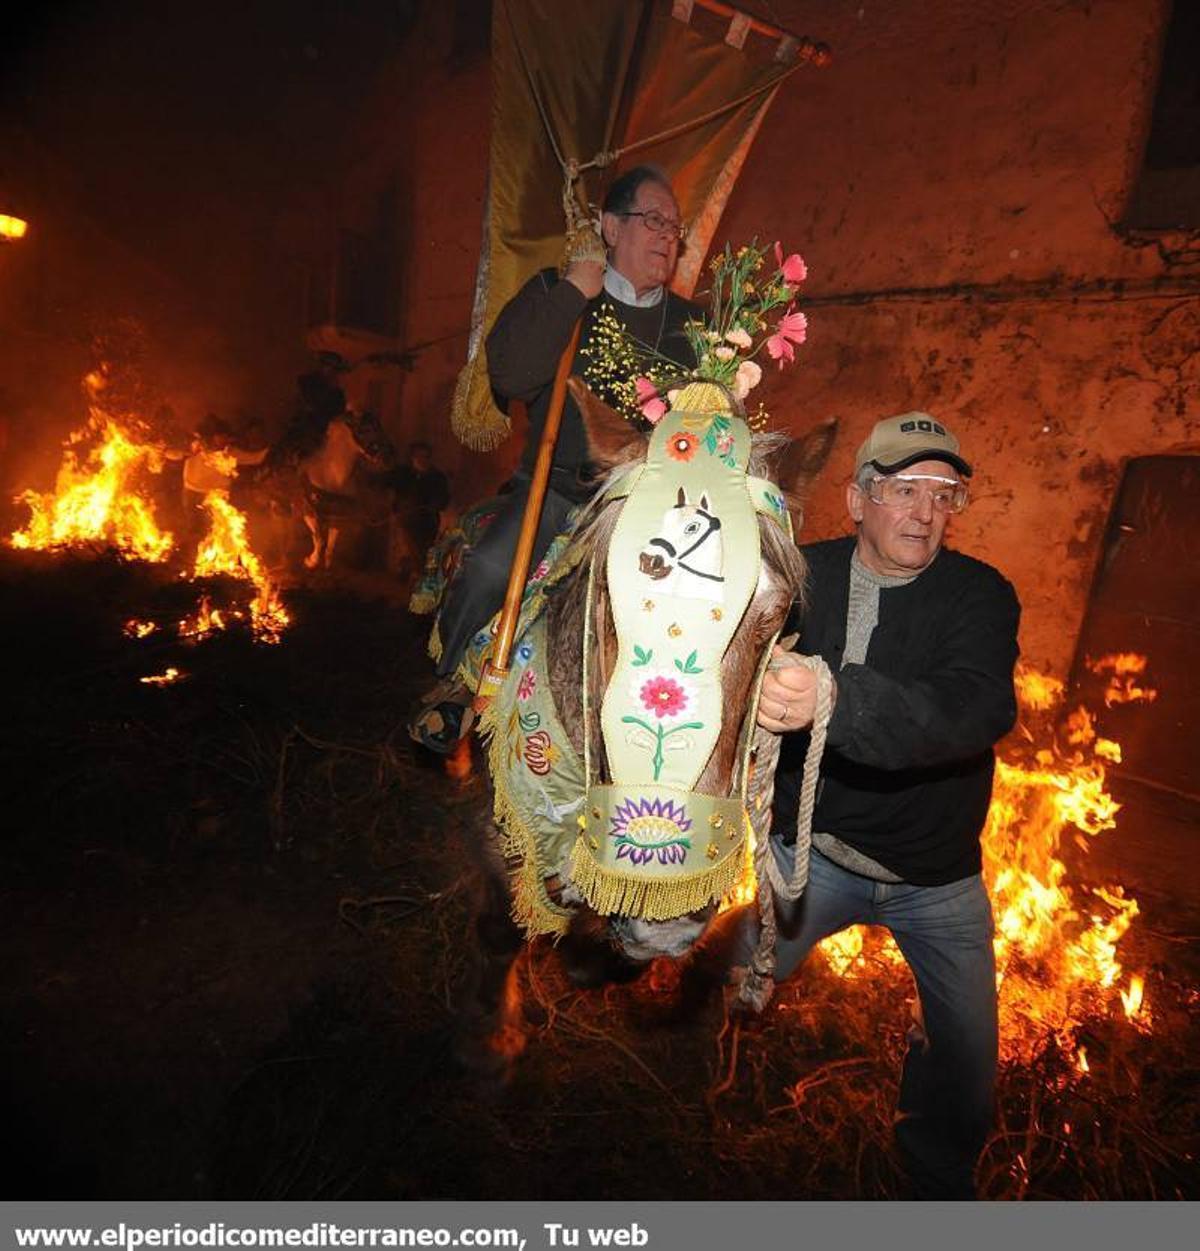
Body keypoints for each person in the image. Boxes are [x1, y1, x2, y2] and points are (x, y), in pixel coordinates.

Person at [744, 412, 1020, 1199]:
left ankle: (934, 1184)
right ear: (857, 499)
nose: (926, 513)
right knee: (733, 980)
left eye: (944, 494)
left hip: (934, 877)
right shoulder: (801, 573)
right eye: (904, 490)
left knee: (966, 1063)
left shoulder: (980, 595)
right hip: (815, 856)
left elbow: (973, 708)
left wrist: (834, 695)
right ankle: (692, 1100)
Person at [413, 164, 703, 750]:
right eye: (653, 220)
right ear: (610, 226)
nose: (668, 236)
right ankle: (453, 692)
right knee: (491, 568)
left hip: (651, 513)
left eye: (675, 226)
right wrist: (574, 290)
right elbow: (514, 377)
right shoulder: (560, 293)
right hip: (558, 495)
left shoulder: (694, 325)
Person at [389, 439, 451, 580]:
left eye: (426, 456)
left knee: (422, 552)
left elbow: (444, 499)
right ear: (412, 458)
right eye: (419, 456)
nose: (422, 460)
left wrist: (436, 504)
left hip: (427, 523)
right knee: (406, 548)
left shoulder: (437, 478)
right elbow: (391, 489)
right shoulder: (403, 474)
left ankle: (417, 576)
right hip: (405, 520)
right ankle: (406, 573)